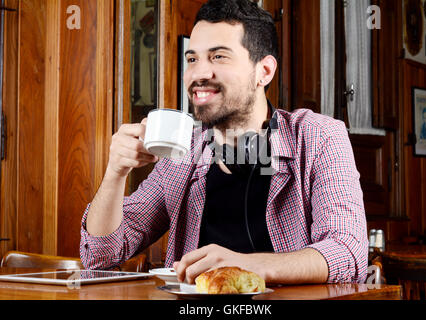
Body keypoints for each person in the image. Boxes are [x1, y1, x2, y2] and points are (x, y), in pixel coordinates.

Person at [80, 0, 368, 284]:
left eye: (219, 56)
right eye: (192, 59)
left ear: (264, 71)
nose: (200, 73)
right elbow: (100, 256)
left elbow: (347, 252)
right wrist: (115, 173)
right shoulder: (183, 153)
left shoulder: (318, 137)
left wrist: (248, 265)